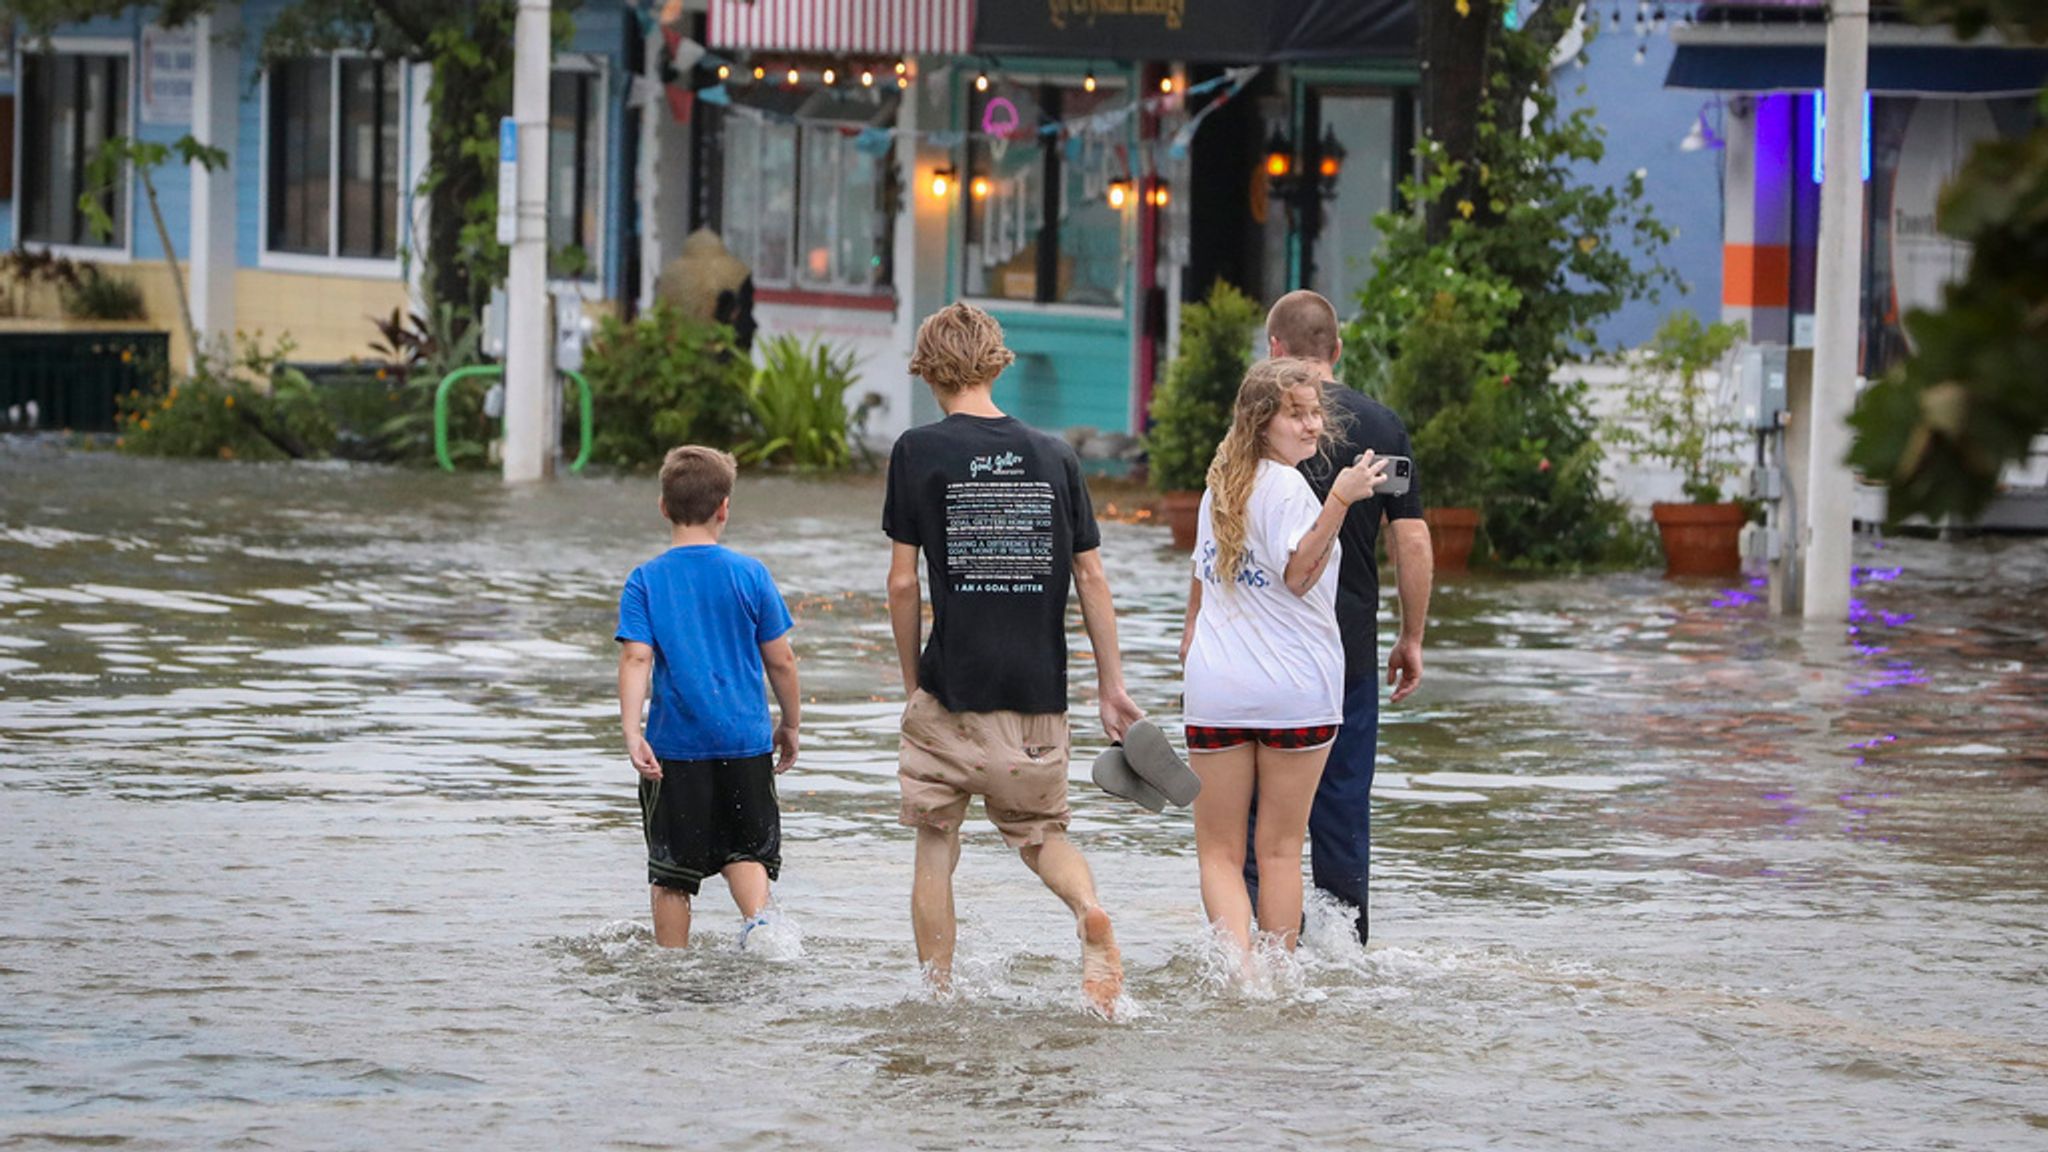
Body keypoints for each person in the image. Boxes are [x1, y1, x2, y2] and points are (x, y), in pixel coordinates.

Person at [884, 302, 1143, 1018]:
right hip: (1038, 696)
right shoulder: (1056, 454)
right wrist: (1111, 685)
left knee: (937, 841)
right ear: (1000, 364)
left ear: (927, 372)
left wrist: (915, 686)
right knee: (1041, 838)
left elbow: (903, 582)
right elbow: (1092, 578)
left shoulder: (916, 450)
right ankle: (1087, 908)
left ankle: (936, 998)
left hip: (951, 688)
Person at [1179, 357, 1389, 959]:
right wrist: (1342, 500)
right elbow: (1299, 574)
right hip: (1294, 690)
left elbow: (1202, 579)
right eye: (1297, 414)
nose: (1313, 425)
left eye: (1316, 412)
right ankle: (1276, 980)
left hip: (1217, 689)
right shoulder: (1292, 489)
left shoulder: (1219, 487)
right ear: (1261, 421)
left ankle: (1239, 976)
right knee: (1277, 851)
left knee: (1219, 853)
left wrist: (1190, 643)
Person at [1259, 289, 1432, 945]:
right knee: (1340, 810)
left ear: (1275, 348)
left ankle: (1256, 952)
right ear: (1336, 349)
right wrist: (1411, 637)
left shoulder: (1257, 421)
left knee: (1256, 816)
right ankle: (1342, 954)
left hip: (1262, 651)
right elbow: (1409, 540)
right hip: (1347, 650)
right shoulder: (1380, 428)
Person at [616, 445, 801, 949]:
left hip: (676, 747)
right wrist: (790, 723)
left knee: (673, 872)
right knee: (745, 851)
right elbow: (781, 659)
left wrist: (633, 733)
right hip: (745, 740)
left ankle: (671, 968)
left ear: (662, 506)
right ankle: (763, 933)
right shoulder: (750, 574)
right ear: (724, 508)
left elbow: (637, 659)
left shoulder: (645, 580)